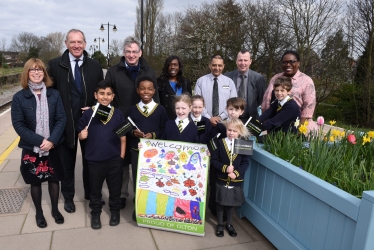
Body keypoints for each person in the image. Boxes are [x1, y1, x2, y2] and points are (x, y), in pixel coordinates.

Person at [48, 29, 104, 213]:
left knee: (91, 162)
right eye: (72, 42)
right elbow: (50, 95)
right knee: (67, 163)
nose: (76, 45)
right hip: (66, 123)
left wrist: (94, 107)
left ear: (85, 44)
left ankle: (91, 193)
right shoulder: (55, 65)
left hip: (90, 123)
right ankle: (69, 196)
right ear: (66, 44)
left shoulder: (95, 66)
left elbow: (101, 92)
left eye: (79, 42)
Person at [105, 36, 159, 209]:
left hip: (143, 123)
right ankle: (121, 194)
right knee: (122, 160)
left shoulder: (148, 71)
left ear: (140, 52)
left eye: (135, 51)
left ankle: (141, 195)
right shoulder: (114, 71)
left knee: (141, 161)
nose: (131, 55)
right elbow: (107, 96)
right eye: (128, 52)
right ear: (123, 53)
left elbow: (155, 98)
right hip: (120, 122)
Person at [11, 58, 66, 228]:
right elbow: (19, 125)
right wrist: (41, 141)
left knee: (54, 178)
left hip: (53, 145)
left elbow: (61, 118)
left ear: (44, 73)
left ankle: (55, 210)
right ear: (26, 73)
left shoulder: (54, 94)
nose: (36, 72)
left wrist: (51, 141)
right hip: (31, 147)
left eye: (40, 69)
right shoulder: (19, 97)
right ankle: (39, 213)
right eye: (32, 70)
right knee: (35, 181)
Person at [77, 80, 126, 230]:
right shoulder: (89, 114)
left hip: (113, 160)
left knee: (115, 189)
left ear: (113, 96)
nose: (105, 97)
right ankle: (95, 213)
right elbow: (80, 135)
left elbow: (123, 138)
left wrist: (121, 158)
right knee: (95, 190)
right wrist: (81, 135)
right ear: (95, 95)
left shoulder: (118, 114)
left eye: (108, 94)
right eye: (101, 93)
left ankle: (115, 212)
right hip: (94, 161)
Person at [127, 75, 168, 220]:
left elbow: (165, 129)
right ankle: (139, 206)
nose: (146, 91)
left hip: (155, 153)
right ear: (138, 90)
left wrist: (154, 135)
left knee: (154, 179)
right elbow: (127, 129)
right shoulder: (132, 109)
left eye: (150, 89)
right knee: (139, 179)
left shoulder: (160, 109)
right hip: (137, 151)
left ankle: (152, 206)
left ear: (154, 91)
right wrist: (133, 132)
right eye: (143, 88)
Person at [210, 118, 250, 237]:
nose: (231, 133)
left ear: (240, 132)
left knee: (231, 203)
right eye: (229, 130)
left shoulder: (243, 144)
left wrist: (236, 173)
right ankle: (220, 224)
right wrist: (225, 168)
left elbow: (245, 163)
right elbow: (214, 161)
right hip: (221, 178)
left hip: (235, 180)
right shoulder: (220, 142)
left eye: (234, 131)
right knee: (220, 202)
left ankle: (229, 224)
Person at [208, 97, 245, 216]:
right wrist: (210, 149)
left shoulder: (242, 127)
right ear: (226, 110)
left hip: (234, 167)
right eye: (231, 109)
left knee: (230, 190)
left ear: (241, 112)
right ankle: (214, 210)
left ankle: (227, 213)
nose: (233, 112)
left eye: (236, 109)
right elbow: (214, 139)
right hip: (219, 163)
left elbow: (245, 150)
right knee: (215, 186)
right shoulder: (221, 126)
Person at [261, 50, 316, 130]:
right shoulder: (275, 78)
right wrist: (262, 122)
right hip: (272, 125)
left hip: (293, 128)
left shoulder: (307, 81)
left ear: (298, 63)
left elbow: (308, 107)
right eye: (284, 62)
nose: (288, 65)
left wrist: (299, 129)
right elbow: (266, 100)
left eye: (292, 62)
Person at [194, 55, 237, 127]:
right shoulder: (201, 81)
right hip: (202, 120)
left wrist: (220, 117)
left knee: (223, 138)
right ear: (210, 65)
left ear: (223, 66)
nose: (217, 68)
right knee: (201, 138)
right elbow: (196, 103)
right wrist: (209, 118)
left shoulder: (230, 82)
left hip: (224, 122)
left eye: (219, 65)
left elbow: (233, 104)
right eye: (214, 65)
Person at [225, 49, 266, 123]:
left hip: (250, 119)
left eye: (245, 60)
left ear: (250, 61)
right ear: (236, 61)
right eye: (240, 60)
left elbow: (261, 99)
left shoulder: (258, 78)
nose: (242, 63)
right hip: (231, 118)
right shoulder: (227, 77)